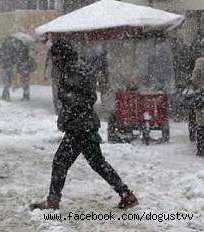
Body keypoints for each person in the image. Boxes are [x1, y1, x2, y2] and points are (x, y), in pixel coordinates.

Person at [31, 40, 138, 210]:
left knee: (60, 162)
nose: (55, 61)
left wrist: (68, 109)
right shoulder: (74, 68)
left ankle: (53, 200)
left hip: (79, 126)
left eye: (56, 57)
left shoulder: (74, 70)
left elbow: (82, 97)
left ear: (63, 55)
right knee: (98, 163)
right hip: (84, 124)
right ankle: (126, 194)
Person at [189, 49, 204, 157]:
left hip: (202, 94)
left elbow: (194, 79)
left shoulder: (200, 61)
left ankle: (201, 149)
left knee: (201, 122)